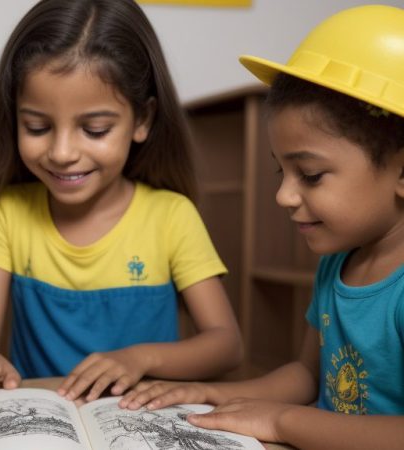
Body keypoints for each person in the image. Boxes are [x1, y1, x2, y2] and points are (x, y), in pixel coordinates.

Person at [119, 5, 404, 449]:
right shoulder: (337, 262)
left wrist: (282, 423)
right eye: (280, 173)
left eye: (309, 175)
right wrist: (213, 393)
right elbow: (306, 375)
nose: (284, 196)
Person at [0, 0, 243, 409]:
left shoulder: (171, 216)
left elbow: (227, 345)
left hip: (140, 418)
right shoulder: (9, 212)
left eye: (94, 129)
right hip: (40, 418)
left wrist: (140, 358)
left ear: (142, 120)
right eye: (37, 127)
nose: (63, 152)